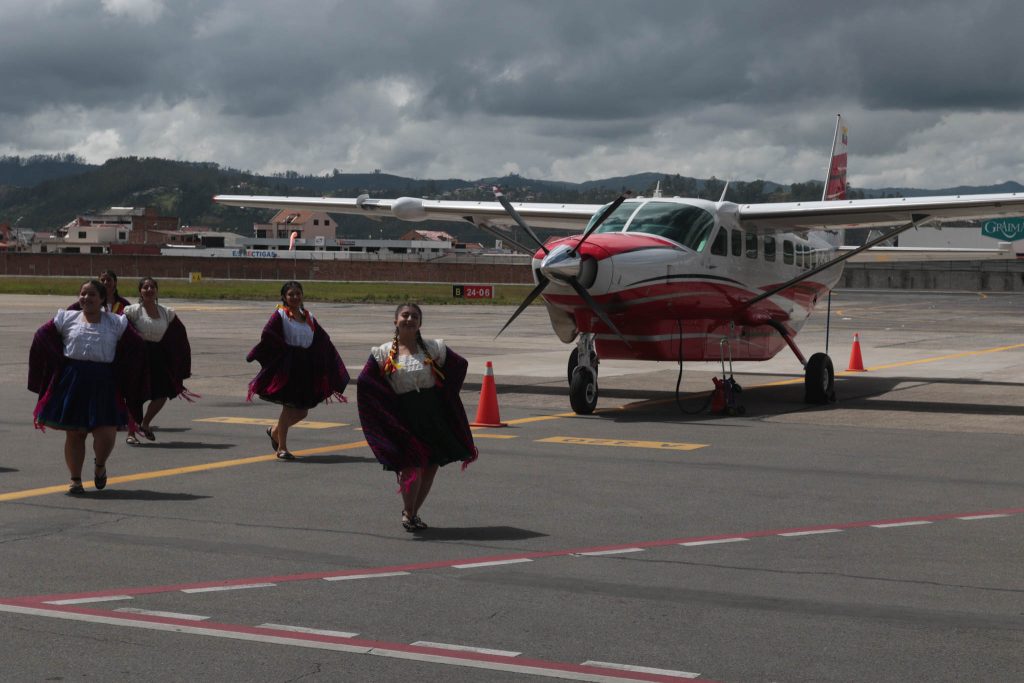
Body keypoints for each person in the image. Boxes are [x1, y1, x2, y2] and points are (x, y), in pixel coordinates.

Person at [357, 303, 477, 532]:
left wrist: (447, 395)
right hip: (403, 416)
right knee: (411, 466)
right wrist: (385, 406)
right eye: (405, 315)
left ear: (420, 323)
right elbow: (365, 382)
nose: (409, 319)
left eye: (414, 316)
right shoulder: (382, 353)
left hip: (432, 414)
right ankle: (408, 511)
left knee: (430, 467)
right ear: (395, 321)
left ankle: (412, 513)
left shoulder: (433, 348)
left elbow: (460, 365)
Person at [28, 280, 146, 494]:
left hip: (104, 382)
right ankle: (75, 479)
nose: (86, 298)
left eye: (92, 294)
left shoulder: (116, 322)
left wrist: (124, 370)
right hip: (74, 381)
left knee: (106, 433)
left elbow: (137, 346)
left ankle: (100, 465)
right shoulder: (66, 318)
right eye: (83, 294)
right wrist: (58, 362)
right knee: (75, 433)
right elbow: (41, 336)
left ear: (102, 299)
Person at [246, 281, 349, 460]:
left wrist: (328, 362)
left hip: (306, 368)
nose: (295, 297)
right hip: (289, 368)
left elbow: (322, 339)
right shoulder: (280, 315)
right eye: (291, 294)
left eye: (298, 293)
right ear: (284, 297)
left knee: (302, 411)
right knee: (288, 408)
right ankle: (282, 448)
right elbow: (268, 336)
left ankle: (275, 431)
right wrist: (281, 353)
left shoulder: (308, 316)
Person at [123, 277, 197, 445]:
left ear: (156, 290)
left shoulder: (167, 313)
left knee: (162, 393)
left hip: (158, 357)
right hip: (137, 357)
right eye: (145, 287)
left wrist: (179, 362)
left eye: (152, 287)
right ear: (140, 291)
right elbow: (122, 332)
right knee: (134, 395)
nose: (149, 290)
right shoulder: (132, 311)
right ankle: (131, 433)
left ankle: (145, 423)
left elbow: (179, 335)